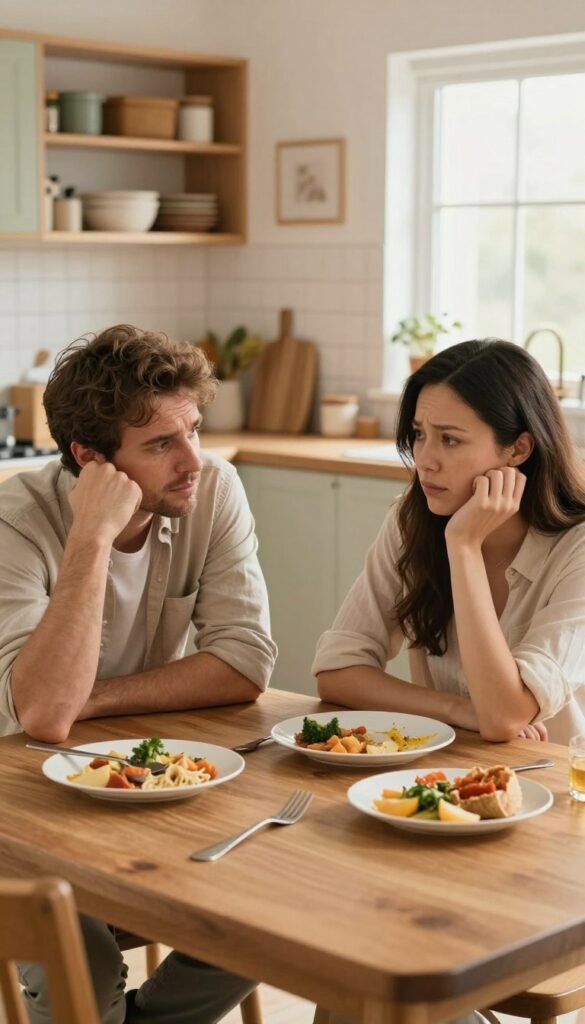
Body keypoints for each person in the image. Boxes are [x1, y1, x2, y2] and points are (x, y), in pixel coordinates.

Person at [0, 323, 277, 1024]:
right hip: (14, 801)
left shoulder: (211, 488)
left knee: (262, 910)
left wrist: (88, 700)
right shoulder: (14, 521)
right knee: (81, 969)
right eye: (161, 444)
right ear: (90, 459)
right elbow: (41, 718)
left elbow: (244, 660)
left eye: (193, 430)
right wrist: (90, 537)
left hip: (136, 778)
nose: (193, 460)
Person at [313, 338, 585, 744]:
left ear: (518, 449)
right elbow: (336, 672)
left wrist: (463, 546)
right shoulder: (412, 519)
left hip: (558, 786)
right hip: (445, 774)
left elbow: (503, 718)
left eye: (450, 439)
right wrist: (456, 710)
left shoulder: (576, 548)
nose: (425, 459)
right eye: (420, 434)